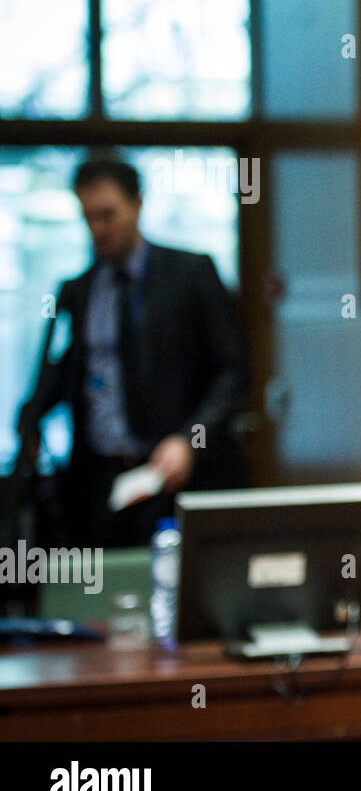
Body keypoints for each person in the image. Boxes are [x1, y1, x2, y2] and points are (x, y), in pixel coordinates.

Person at [16, 159, 249, 548]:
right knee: (104, 595)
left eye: (108, 215)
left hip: (176, 477)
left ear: (137, 204)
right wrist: (30, 416)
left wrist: (189, 440)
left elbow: (233, 373)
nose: (98, 229)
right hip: (101, 485)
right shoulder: (81, 290)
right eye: (88, 217)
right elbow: (68, 371)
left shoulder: (190, 274)